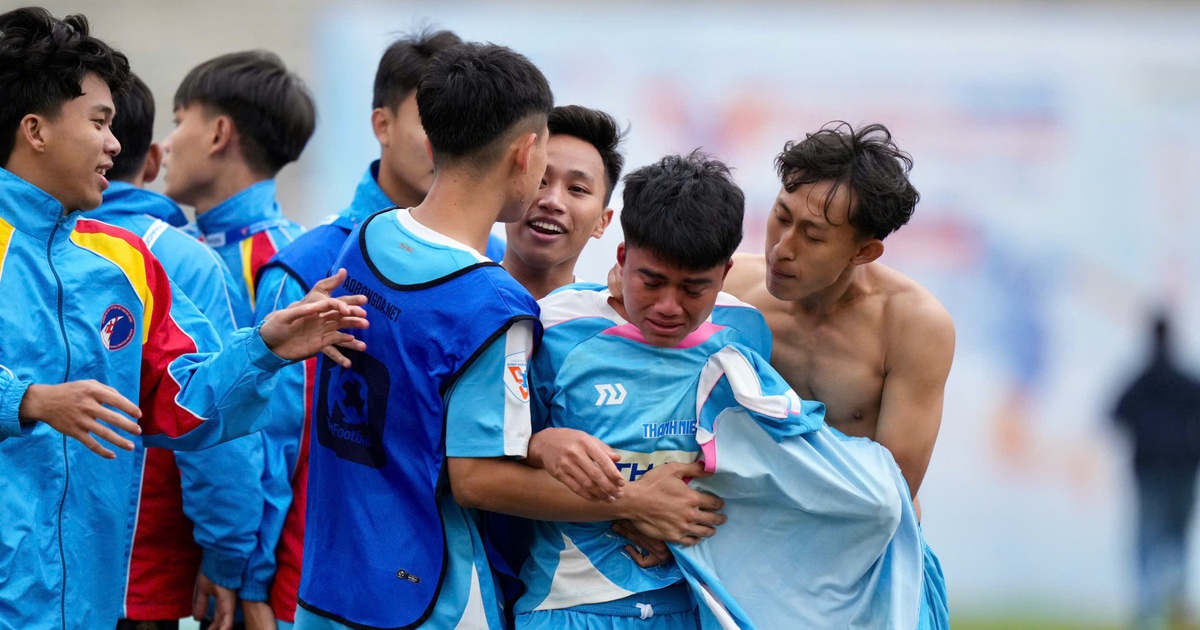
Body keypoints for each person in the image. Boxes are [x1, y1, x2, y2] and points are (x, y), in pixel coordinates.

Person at [296, 43, 719, 630]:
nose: (550, 196)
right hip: (430, 598)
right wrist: (632, 497)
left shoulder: (370, 236)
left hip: (333, 584)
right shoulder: (492, 307)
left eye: (579, 189)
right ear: (524, 154)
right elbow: (475, 477)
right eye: (547, 167)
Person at [0, 9, 369, 628]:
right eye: (99, 122)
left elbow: (181, 403)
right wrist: (27, 401)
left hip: (90, 607)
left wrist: (264, 349)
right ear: (34, 130)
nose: (118, 146)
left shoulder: (126, 260)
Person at [522, 152, 926, 629]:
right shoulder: (552, 325)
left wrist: (690, 532)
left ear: (723, 276)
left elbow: (802, 476)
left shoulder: (743, 330)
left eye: (694, 289)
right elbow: (477, 465)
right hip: (569, 606)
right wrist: (539, 445)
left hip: (701, 604)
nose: (669, 306)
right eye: (781, 218)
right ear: (623, 258)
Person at [248, 29, 462, 630]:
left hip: (454, 584)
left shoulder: (490, 271)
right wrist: (256, 580)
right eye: (430, 123)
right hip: (320, 588)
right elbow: (271, 440)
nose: (447, 145)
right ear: (382, 124)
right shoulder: (313, 265)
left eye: (460, 125)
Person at [91, 72, 265, 630]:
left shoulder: (25, 243)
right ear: (150, 161)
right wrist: (228, 554)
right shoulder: (181, 256)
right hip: (142, 581)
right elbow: (215, 426)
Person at [162, 49, 313, 318]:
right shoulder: (166, 244)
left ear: (218, 134)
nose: (165, 145)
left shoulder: (293, 264)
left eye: (179, 122)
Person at [1112, 314, 1200, 630]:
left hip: (1149, 471)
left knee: (1148, 541)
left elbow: (1114, 414)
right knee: (1176, 539)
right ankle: (1171, 601)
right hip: (1184, 471)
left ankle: (1150, 612)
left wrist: (1145, 434)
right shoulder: (1185, 379)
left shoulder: (1142, 380)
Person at [501, 104, 621, 299]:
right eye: (540, 180)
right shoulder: (453, 295)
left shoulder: (608, 323)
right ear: (505, 191)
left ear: (602, 221)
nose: (552, 201)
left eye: (577, 189)